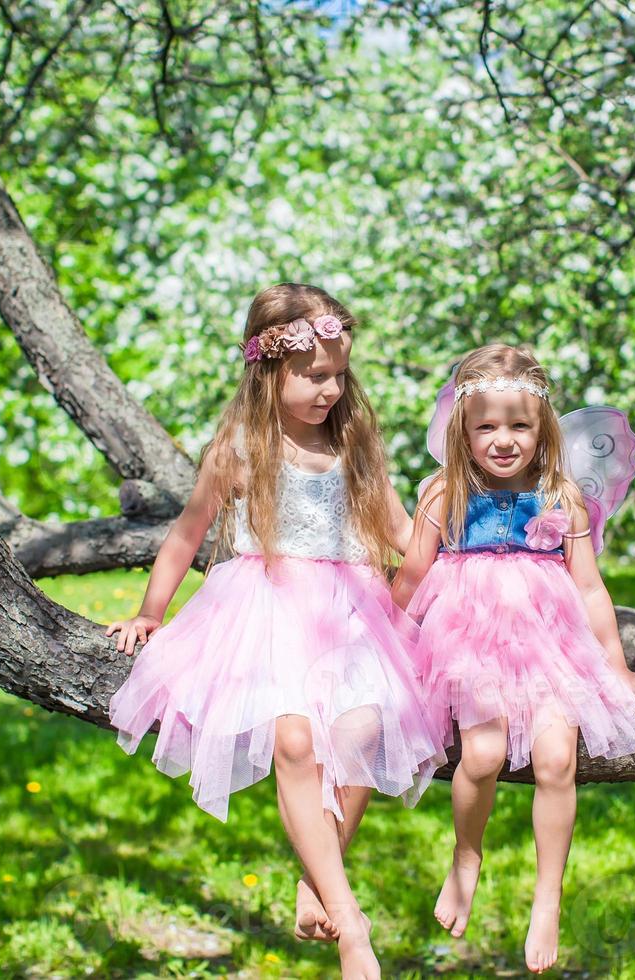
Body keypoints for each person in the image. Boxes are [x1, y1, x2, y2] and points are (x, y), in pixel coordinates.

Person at [106, 283, 445, 979]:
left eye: (338, 375)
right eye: (314, 375)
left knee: (362, 732)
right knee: (294, 739)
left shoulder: (352, 449)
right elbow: (187, 533)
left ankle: (319, 879)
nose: (330, 389)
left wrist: (444, 519)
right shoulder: (239, 449)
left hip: (353, 620)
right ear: (269, 369)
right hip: (266, 612)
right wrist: (150, 612)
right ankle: (352, 926)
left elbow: (401, 537)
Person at [392, 342, 635, 973]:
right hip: (465, 643)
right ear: (461, 431)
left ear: (543, 428)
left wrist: (617, 666)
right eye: (486, 427)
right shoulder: (445, 493)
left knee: (557, 761)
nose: (504, 440)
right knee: (484, 752)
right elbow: (414, 575)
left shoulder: (560, 497)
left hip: (549, 649)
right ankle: (466, 857)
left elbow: (588, 588)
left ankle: (548, 896)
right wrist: (382, 643)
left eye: (520, 425)